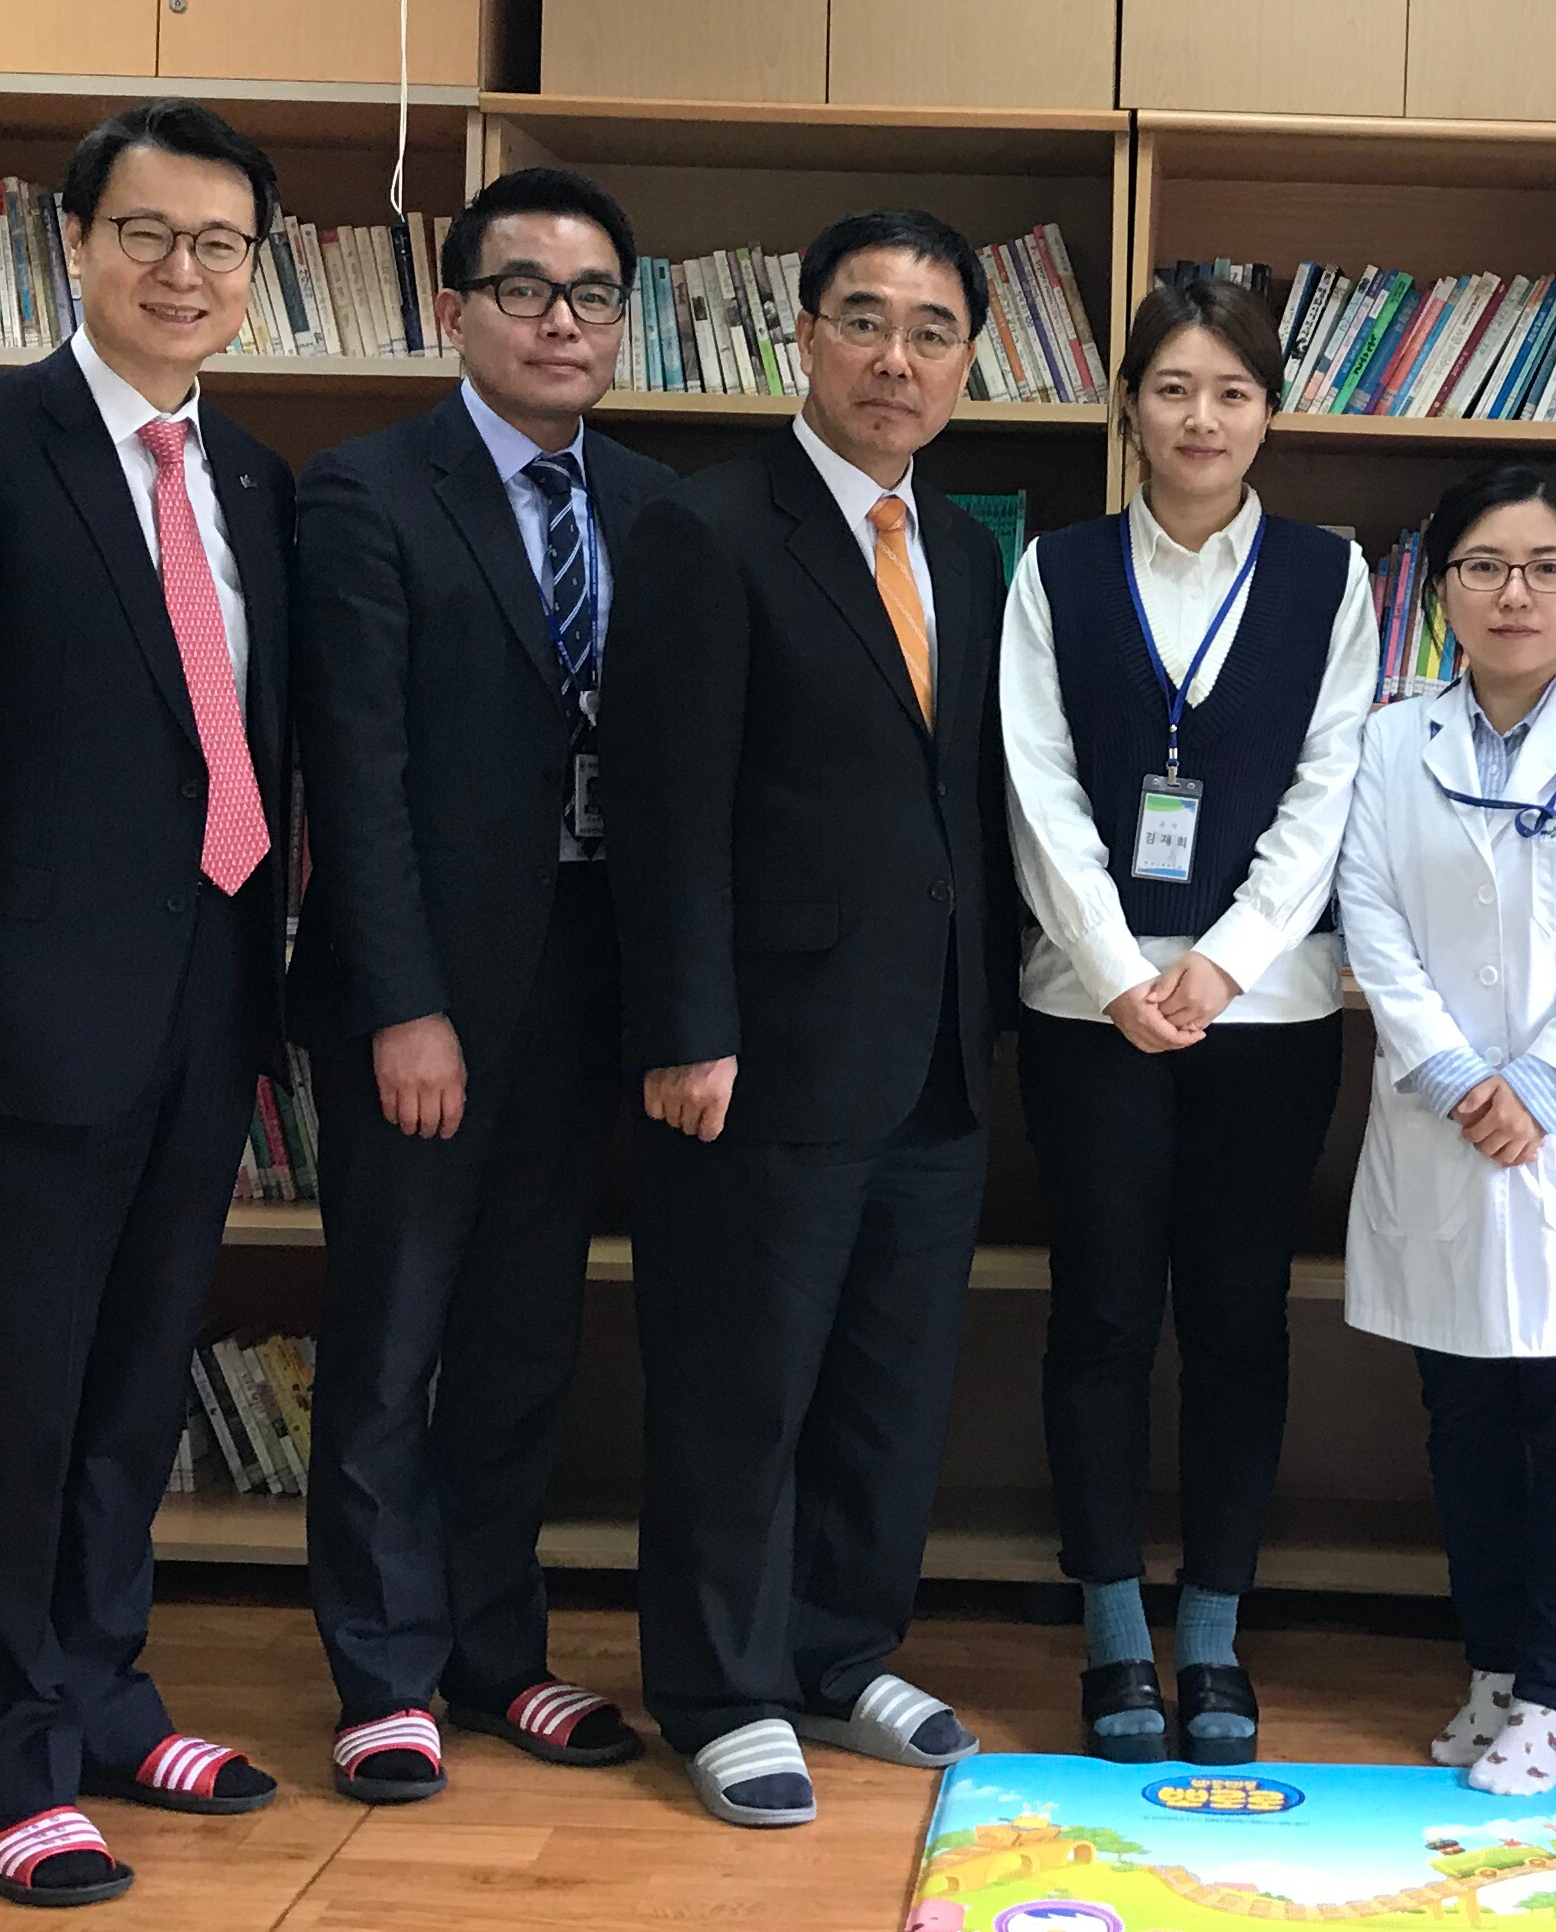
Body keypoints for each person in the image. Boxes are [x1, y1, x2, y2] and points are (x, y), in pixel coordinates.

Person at [0, 99, 294, 1909]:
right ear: (77, 245)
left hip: (205, 1004)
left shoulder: (251, 478)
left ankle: (103, 1692)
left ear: (253, 272)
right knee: (14, 1400)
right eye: (148, 234)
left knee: (132, 1382)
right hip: (19, 1012)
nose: (184, 272)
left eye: (219, 244)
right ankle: (2, 1753)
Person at [600, 208, 1013, 1830]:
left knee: (887, 1387)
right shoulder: (708, 529)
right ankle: (721, 1688)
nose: (897, 359)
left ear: (966, 361)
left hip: (933, 1051)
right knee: (740, 1383)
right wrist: (683, 1026)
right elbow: (664, 807)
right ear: (804, 339)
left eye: (932, 330)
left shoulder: (967, 548)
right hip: (758, 1050)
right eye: (865, 321)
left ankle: (840, 1656)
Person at [288, 166, 673, 1804]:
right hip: (427, 1000)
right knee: (393, 1333)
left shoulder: (652, 504)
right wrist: (403, 1004)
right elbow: (354, 773)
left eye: (591, 296)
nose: (559, 322)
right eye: (524, 289)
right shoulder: (368, 493)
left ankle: (497, 1652)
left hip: (587, 984)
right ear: (455, 309)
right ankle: (383, 1673)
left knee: (524, 1337)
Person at [1003, 272, 1376, 1767]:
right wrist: (1115, 966)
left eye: (1232, 392)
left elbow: (1329, 787)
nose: (1201, 419)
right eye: (1173, 389)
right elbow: (1035, 783)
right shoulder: (1056, 569)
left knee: (1236, 1321)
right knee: (1099, 1313)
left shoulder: (1330, 575)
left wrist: (1220, 964)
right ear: (1130, 408)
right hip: (1084, 1006)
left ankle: (1213, 1635)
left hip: (1268, 1007)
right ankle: (1110, 1634)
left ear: (1269, 412)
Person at [1335, 464, 1556, 1797]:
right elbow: (1368, 910)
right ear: (1442, 590)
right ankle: (1490, 1666)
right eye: (1484, 566)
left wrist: (1537, 1090)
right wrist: (1450, 1072)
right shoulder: (1390, 742)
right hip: (1441, 1123)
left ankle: (1554, 1691)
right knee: (1464, 1417)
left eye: (1546, 568)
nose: (1515, 594)